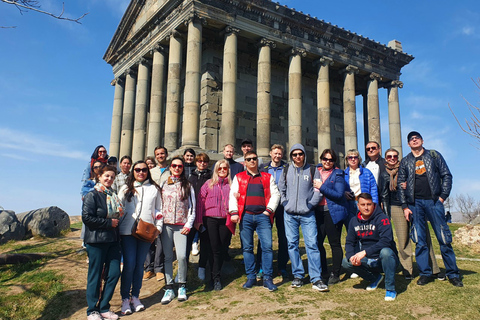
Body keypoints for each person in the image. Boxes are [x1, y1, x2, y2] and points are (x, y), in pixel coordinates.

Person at [397, 131, 463, 287]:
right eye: (411, 139)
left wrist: (442, 197)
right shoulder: (405, 161)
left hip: (433, 202)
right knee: (420, 240)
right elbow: (401, 184)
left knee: (444, 238)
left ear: (422, 140)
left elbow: (447, 175)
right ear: (408, 144)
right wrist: (405, 206)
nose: (414, 140)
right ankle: (425, 273)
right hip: (415, 204)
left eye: (417, 138)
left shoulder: (433, 155)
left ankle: (453, 274)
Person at [381, 148, 442, 280]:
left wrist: (409, 185)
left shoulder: (407, 166)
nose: (392, 158)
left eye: (395, 156)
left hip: (413, 204)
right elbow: (384, 195)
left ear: (398, 157)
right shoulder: (384, 173)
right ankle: (407, 269)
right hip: (396, 207)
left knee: (423, 236)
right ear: (385, 159)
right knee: (403, 240)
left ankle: (434, 269)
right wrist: (387, 214)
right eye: (389, 156)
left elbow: (419, 180)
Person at [278, 144, 327, 292]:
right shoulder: (286, 169)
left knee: (312, 245)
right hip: (290, 214)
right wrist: (285, 203)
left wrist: (311, 205)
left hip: (307, 213)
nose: (297, 157)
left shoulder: (312, 169)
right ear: (291, 156)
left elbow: (318, 189)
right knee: (292, 245)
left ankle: (316, 278)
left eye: (300, 154)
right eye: (294, 154)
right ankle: (298, 275)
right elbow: (281, 188)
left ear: (304, 154)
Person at [229, 150, 280, 291]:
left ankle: (267, 278)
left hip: (262, 216)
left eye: (254, 159)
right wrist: (234, 212)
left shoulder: (267, 176)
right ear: (245, 162)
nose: (252, 161)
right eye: (249, 159)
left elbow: (275, 194)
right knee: (247, 248)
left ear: (257, 160)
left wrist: (268, 211)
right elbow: (232, 196)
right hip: (245, 216)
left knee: (267, 247)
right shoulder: (239, 177)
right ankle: (251, 276)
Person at [117, 161, 163, 315]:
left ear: (147, 171)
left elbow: (159, 210)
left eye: (144, 170)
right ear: (133, 171)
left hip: (146, 231)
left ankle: (135, 297)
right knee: (129, 264)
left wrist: (159, 228)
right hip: (127, 231)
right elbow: (118, 209)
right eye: (137, 170)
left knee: (139, 266)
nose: (141, 172)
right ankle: (125, 299)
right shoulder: (125, 188)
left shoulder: (154, 189)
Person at [82, 165, 123, 320]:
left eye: (112, 177)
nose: (109, 179)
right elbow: (87, 218)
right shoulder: (92, 195)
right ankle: (92, 310)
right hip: (96, 241)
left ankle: (104, 307)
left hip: (112, 240)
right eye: (106, 176)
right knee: (95, 275)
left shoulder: (114, 195)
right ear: (99, 176)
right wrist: (108, 223)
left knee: (114, 273)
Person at [342, 193, 400, 301]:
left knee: (386, 252)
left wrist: (365, 252)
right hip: (368, 260)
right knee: (346, 261)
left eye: (369, 204)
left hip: (384, 259)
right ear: (358, 206)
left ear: (373, 205)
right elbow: (350, 242)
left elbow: (386, 241)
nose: (366, 207)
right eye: (363, 204)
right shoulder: (354, 221)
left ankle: (390, 289)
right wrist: (351, 257)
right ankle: (375, 278)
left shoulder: (382, 218)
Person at [160, 156, 196, 304]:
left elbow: (192, 206)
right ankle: (169, 287)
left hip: (181, 226)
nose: (176, 168)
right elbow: (158, 204)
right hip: (166, 225)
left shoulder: (188, 185)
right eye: (174, 166)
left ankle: (182, 285)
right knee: (168, 257)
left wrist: (189, 224)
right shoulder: (163, 184)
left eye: (179, 166)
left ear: (182, 168)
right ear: (170, 167)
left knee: (181, 256)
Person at [197, 160, 234, 290]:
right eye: (220, 169)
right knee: (213, 248)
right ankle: (215, 277)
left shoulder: (232, 185)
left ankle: (217, 271)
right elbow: (200, 202)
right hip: (210, 218)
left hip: (225, 219)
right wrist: (198, 220)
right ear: (216, 170)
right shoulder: (208, 184)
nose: (222, 170)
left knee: (223, 247)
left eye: (225, 168)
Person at [313, 149, 349, 285]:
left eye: (331, 159)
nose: (327, 162)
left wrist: (322, 187)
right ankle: (323, 271)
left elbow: (339, 194)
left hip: (332, 212)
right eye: (325, 159)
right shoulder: (316, 171)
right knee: (318, 242)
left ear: (334, 161)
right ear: (321, 159)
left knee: (334, 243)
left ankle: (335, 272)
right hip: (318, 211)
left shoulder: (338, 174)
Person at [259, 144, 289, 279]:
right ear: (270, 153)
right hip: (267, 206)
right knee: (263, 237)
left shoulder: (287, 168)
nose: (277, 156)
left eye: (279, 154)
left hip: (282, 206)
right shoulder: (263, 168)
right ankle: (261, 266)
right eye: (275, 153)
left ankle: (282, 266)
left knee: (284, 237)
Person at [144, 146, 170, 281]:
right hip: (151, 207)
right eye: (158, 154)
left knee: (160, 238)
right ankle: (149, 268)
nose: (160, 156)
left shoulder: (171, 170)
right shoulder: (150, 172)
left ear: (166, 154)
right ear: (155, 156)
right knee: (148, 238)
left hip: (165, 208)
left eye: (162, 153)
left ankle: (159, 269)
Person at [187, 153, 213, 282]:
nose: (202, 163)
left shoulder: (211, 176)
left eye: (205, 161)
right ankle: (184, 268)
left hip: (205, 213)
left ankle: (202, 267)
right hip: (191, 213)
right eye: (200, 161)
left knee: (205, 242)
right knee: (187, 242)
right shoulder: (190, 176)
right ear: (196, 162)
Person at [344, 149, 378, 217]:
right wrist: (343, 193)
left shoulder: (367, 172)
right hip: (349, 204)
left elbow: (373, 189)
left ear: (359, 159)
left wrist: (374, 204)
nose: (353, 159)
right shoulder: (343, 174)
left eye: (355, 157)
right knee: (351, 226)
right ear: (347, 159)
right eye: (350, 157)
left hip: (364, 203)